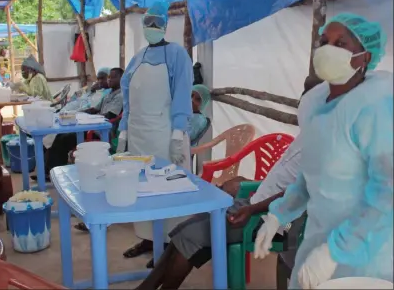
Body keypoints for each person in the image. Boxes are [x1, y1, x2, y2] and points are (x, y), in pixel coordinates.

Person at [134, 70, 324, 289]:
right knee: (184, 229)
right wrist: (248, 183)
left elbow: (299, 193)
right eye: (303, 95)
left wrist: (253, 209)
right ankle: (146, 287)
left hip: (269, 218)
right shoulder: (308, 132)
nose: (303, 102)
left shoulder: (324, 142)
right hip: (256, 203)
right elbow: (283, 180)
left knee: (190, 237)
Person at [254, 13, 393, 289]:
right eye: (324, 42)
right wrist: (278, 214)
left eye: (341, 44)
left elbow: (387, 192)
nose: (328, 50)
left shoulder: (376, 107)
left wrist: (335, 251)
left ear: (364, 57)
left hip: (368, 254)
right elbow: (311, 177)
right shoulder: (320, 106)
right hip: (319, 243)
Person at [116, 1, 194, 259]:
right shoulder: (137, 58)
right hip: (138, 137)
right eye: (147, 22)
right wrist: (123, 133)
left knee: (167, 191)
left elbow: (182, 95)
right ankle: (149, 241)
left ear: (165, 26)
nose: (151, 27)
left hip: (164, 134)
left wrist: (176, 135)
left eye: (156, 23)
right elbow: (128, 98)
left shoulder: (177, 55)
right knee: (143, 190)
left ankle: (172, 248)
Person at [34, 67, 124, 183]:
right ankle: (48, 171)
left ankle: (54, 172)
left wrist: (88, 118)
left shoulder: (120, 96)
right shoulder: (108, 94)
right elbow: (94, 109)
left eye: (113, 77)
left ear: (122, 79)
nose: (109, 80)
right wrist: (77, 113)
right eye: (109, 77)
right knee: (59, 135)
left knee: (64, 139)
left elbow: (110, 116)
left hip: (101, 131)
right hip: (91, 126)